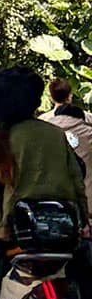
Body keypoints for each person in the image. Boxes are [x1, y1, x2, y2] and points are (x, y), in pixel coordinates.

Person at [0, 66, 89, 299]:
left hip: (16, 230)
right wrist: (83, 220)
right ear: (36, 101)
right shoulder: (55, 135)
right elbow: (77, 183)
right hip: (63, 230)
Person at [42, 76, 92, 216]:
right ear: (69, 96)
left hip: (55, 204)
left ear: (51, 96)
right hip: (88, 203)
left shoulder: (42, 124)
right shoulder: (87, 120)